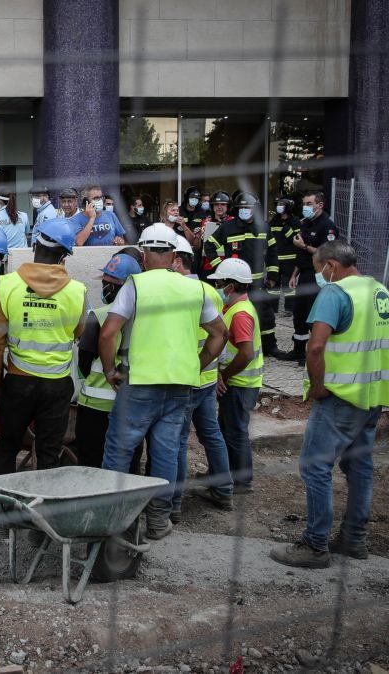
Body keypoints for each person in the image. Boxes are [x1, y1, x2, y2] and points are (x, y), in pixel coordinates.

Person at [271, 240, 389, 568]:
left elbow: (315, 348)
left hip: (340, 397)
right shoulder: (379, 291)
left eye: (319, 270)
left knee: (314, 466)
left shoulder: (335, 293)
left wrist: (318, 387)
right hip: (373, 397)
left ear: (331, 266)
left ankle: (315, 545)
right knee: (359, 466)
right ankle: (354, 539)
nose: (319, 276)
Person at [99, 224, 228, 539]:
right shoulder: (195, 289)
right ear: (174, 255)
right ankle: (159, 519)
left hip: (140, 383)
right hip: (179, 386)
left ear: (143, 253)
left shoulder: (136, 285)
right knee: (167, 451)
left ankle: (111, 517)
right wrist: (196, 365)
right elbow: (219, 334)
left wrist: (109, 370)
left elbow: (108, 332)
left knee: (119, 450)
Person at [0, 218, 87, 476]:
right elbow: (79, 333)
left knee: (8, 445)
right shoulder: (77, 291)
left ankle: (4, 508)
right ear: (64, 256)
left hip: (18, 383)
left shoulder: (7, 284)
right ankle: (43, 508)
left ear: (35, 245)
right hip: (57, 385)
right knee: (48, 450)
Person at [168, 237, 235, 519]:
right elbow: (217, 333)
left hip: (187, 378)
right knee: (211, 434)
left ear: (177, 260)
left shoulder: (176, 292)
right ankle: (225, 490)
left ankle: (175, 503)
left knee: (179, 441)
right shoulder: (209, 290)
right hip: (207, 377)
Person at [75, 253, 141, 469]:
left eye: (106, 283)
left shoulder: (99, 316)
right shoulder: (145, 316)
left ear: (117, 287)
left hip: (95, 404)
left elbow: (84, 363)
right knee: (129, 460)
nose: (103, 286)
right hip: (133, 402)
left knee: (92, 460)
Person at [204, 191, 286, 360]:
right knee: (235, 315)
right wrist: (221, 268)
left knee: (265, 315)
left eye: (248, 207)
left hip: (257, 281)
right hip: (235, 284)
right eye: (241, 208)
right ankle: (234, 347)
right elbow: (209, 245)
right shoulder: (227, 227)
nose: (244, 210)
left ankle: (270, 346)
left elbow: (272, 252)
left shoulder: (263, 227)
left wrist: (272, 274)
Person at [209, 258, 265, 495]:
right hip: (239, 382)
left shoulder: (240, 314)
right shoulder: (236, 308)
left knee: (235, 432)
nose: (218, 287)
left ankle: (241, 481)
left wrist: (225, 375)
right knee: (229, 429)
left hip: (240, 383)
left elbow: (246, 353)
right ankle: (226, 475)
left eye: (220, 283)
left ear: (230, 286)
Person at [285, 191, 340, 363]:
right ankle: (298, 350)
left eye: (309, 204)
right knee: (299, 313)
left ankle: (314, 353)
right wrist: (294, 274)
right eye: (304, 204)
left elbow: (328, 254)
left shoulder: (327, 226)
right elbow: (299, 254)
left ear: (319, 205)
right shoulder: (305, 224)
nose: (305, 207)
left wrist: (305, 245)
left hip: (319, 276)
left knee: (313, 315)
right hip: (303, 274)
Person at [268, 196, 300, 320]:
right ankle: (272, 307)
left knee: (288, 284)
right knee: (273, 283)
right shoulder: (274, 220)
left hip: (289, 258)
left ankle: (289, 309)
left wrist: (285, 226)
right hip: (275, 258)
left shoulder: (295, 221)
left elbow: (295, 239)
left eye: (281, 204)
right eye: (278, 204)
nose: (279, 207)